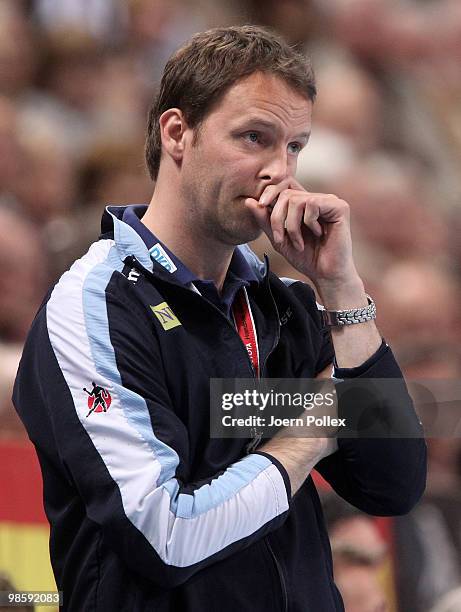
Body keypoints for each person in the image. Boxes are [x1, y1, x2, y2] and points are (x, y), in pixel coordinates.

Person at [13, 25, 426, 611]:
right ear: (177, 133)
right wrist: (311, 428)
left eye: (294, 146)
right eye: (254, 138)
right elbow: (166, 537)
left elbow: (394, 483)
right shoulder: (95, 305)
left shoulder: (289, 304)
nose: (280, 172)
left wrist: (341, 286)